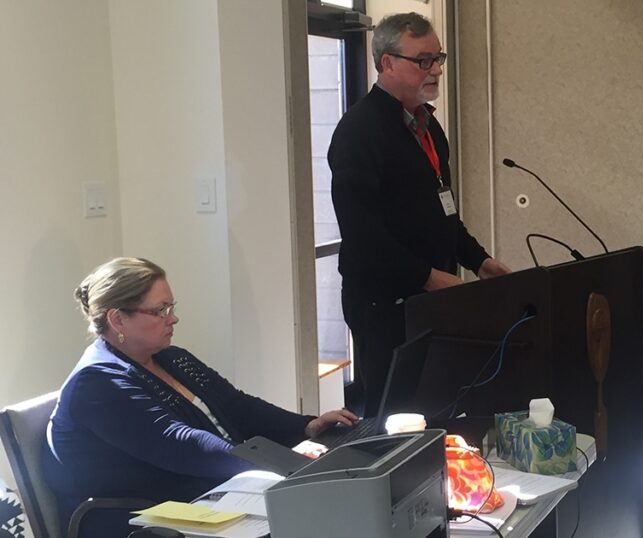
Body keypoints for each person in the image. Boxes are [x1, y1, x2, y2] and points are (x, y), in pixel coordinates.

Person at [44, 258, 359, 538]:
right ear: (117, 320)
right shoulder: (97, 383)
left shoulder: (170, 357)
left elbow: (237, 406)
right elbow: (180, 443)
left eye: (172, 307)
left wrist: (306, 426)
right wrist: (281, 462)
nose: (173, 318)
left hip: (200, 497)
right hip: (137, 520)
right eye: (160, 310)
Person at [328, 12, 510, 417]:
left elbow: (443, 214)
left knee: (436, 408)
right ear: (387, 62)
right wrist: (426, 278)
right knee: (393, 416)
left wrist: (479, 261)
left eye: (438, 58)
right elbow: (362, 234)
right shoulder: (360, 132)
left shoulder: (429, 127)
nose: (436, 70)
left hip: (429, 301)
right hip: (383, 304)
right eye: (423, 60)